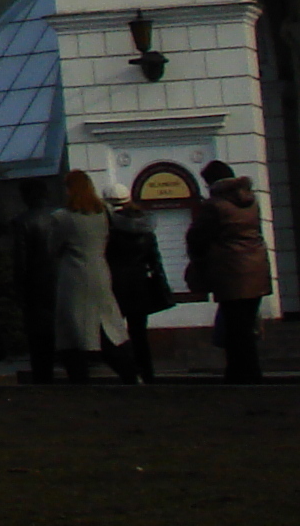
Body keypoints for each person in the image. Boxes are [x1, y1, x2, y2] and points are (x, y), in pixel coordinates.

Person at [42, 170, 135, 382]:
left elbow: (52, 248)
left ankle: (79, 377)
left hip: (73, 277)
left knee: (72, 330)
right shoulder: (104, 213)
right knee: (108, 325)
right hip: (100, 272)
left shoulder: (62, 217)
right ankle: (129, 373)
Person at [187, 162, 272, 383]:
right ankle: (250, 374)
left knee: (235, 328)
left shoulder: (214, 206)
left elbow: (197, 236)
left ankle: (241, 375)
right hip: (256, 269)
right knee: (246, 325)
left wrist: (199, 261)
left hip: (230, 272)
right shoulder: (251, 202)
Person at [103, 193, 172, 383]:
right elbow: (154, 259)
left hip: (116, 285)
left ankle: (129, 372)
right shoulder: (145, 226)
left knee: (115, 332)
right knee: (139, 333)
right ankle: (147, 373)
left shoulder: (109, 229)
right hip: (141, 285)